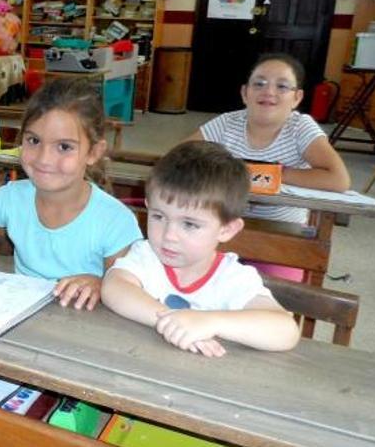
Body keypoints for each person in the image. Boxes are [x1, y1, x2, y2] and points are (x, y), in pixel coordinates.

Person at [0, 78, 142, 310]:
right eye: (33, 140)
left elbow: (139, 290)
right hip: (18, 322)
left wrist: (103, 286)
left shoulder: (115, 220)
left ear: (93, 152)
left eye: (64, 147)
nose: (44, 159)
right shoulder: (12, 198)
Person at [101, 141, 301, 357]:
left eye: (189, 224)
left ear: (226, 229)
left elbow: (286, 330)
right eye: (159, 217)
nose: (169, 235)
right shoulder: (146, 256)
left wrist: (209, 322)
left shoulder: (232, 277)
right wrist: (172, 321)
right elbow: (114, 287)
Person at [186, 53, 350, 281]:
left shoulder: (300, 127)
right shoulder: (227, 122)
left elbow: (338, 179)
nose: (269, 92)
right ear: (245, 93)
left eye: (282, 86)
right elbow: (180, 158)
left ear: (297, 97)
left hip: (281, 233)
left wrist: (273, 174)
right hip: (223, 228)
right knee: (197, 283)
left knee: (274, 298)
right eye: (259, 83)